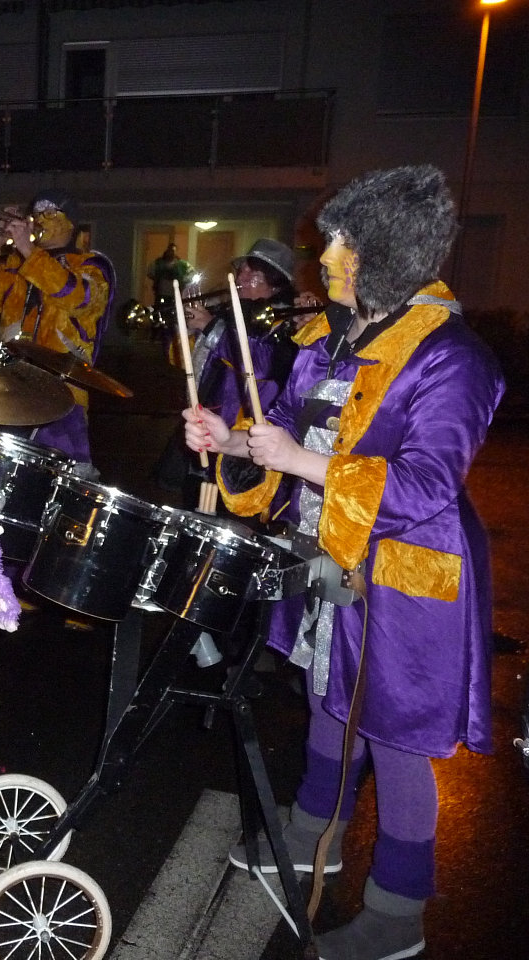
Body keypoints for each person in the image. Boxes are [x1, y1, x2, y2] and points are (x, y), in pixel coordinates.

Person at [184, 165, 503, 960]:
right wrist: (230, 440)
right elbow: (282, 430)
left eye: (339, 240)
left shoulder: (452, 359)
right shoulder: (328, 337)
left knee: (395, 735)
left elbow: (429, 484)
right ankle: (305, 834)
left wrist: (298, 460)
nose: (322, 253)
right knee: (328, 693)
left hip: (406, 576)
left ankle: (398, 916)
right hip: (328, 556)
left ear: (381, 255)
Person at [158, 238, 321, 511]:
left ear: (276, 283)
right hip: (208, 432)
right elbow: (184, 363)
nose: (241, 277)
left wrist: (209, 326)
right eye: (242, 270)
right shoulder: (230, 316)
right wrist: (187, 329)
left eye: (253, 274)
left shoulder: (289, 323)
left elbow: (261, 365)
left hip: (248, 446)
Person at [0, 188, 115, 464]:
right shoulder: (18, 266)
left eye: (50, 212)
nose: (41, 219)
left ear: (71, 221)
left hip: (63, 397)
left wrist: (28, 250)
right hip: (9, 391)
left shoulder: (92, 264)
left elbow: (78, 297)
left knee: (59, 484)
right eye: (37, 213)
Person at [147, 242, 191, 313]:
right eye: (170, 250)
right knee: (160, 310)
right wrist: (158, 279)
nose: (171, 253)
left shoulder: (181, 264)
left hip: (175, 294)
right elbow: (150, 273)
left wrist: (184, 280)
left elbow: (190, 273)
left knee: (173, 311)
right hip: (161, 293)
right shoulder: (158, 263)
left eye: (173, 251)